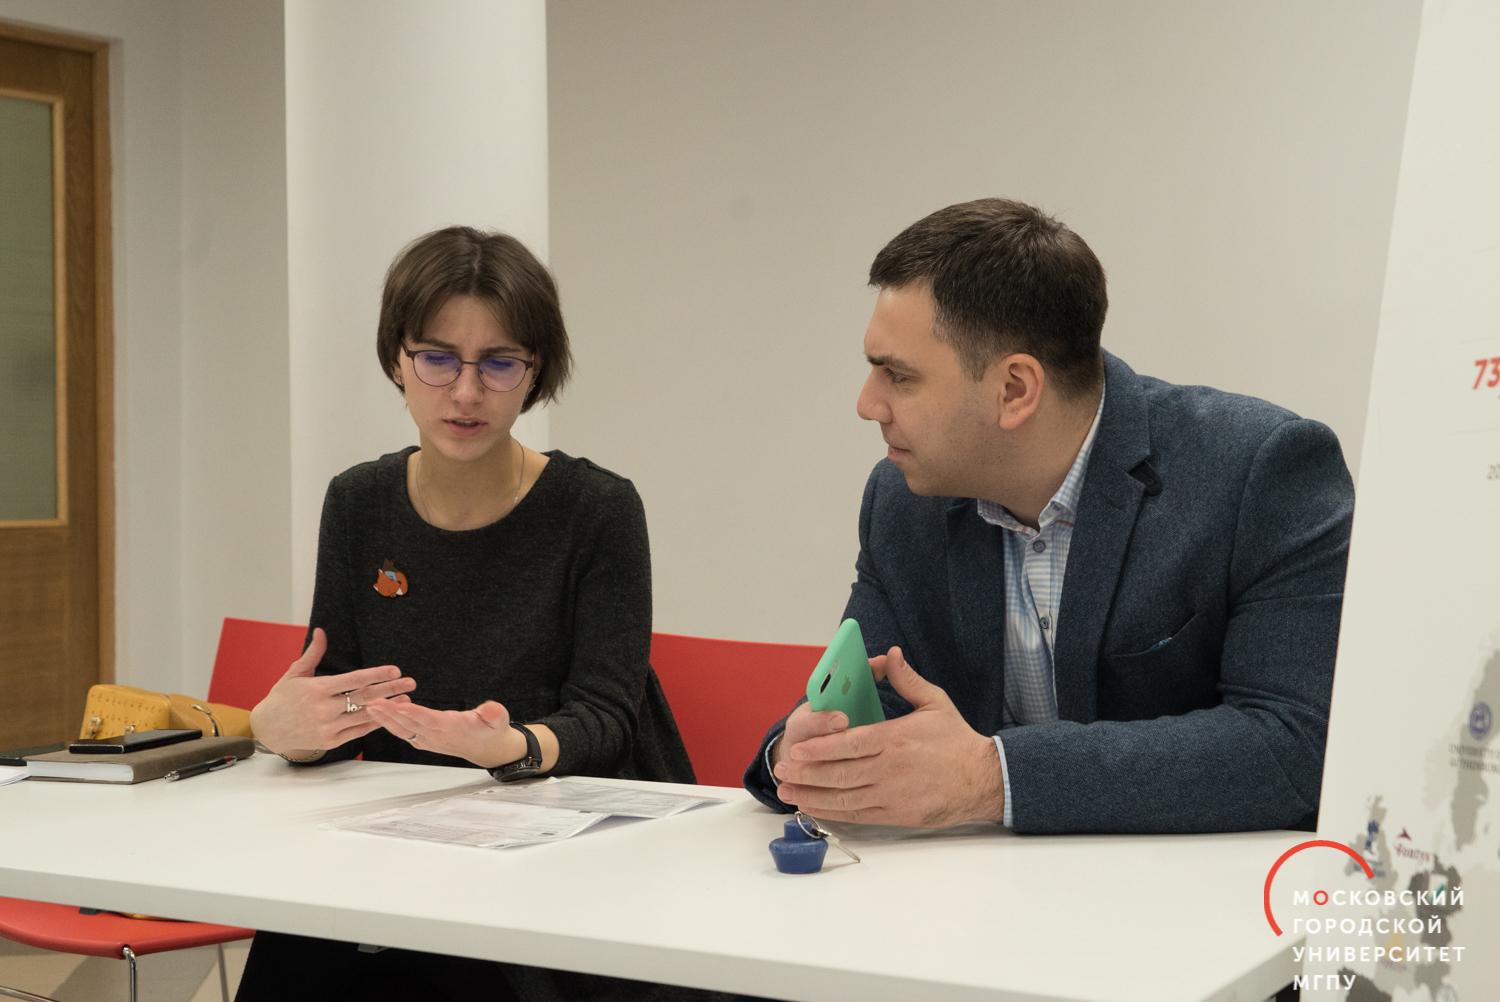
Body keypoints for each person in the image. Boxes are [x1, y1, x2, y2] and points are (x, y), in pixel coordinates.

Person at [744, 198, 1354, 835]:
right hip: (981, 887)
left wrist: (992, 777)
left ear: (1014, 390)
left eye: (898, 376)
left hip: (1210, 888)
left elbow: (1292, 744)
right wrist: (799, 753)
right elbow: (877, 702)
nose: (867, 404)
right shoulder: (902, 501)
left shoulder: (1262, 470)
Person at [240, 227, 719, 1002]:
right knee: (294, 952)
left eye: (498, 363)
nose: (466, 393)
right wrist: (276, 727)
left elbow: (607, 719)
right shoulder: (358, 502)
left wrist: (510, 747)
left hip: (570, 837)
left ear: (536, 372)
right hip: (407, 837)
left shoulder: (596, 508)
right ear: (397, 359)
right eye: (438, 358)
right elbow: (345, 702)